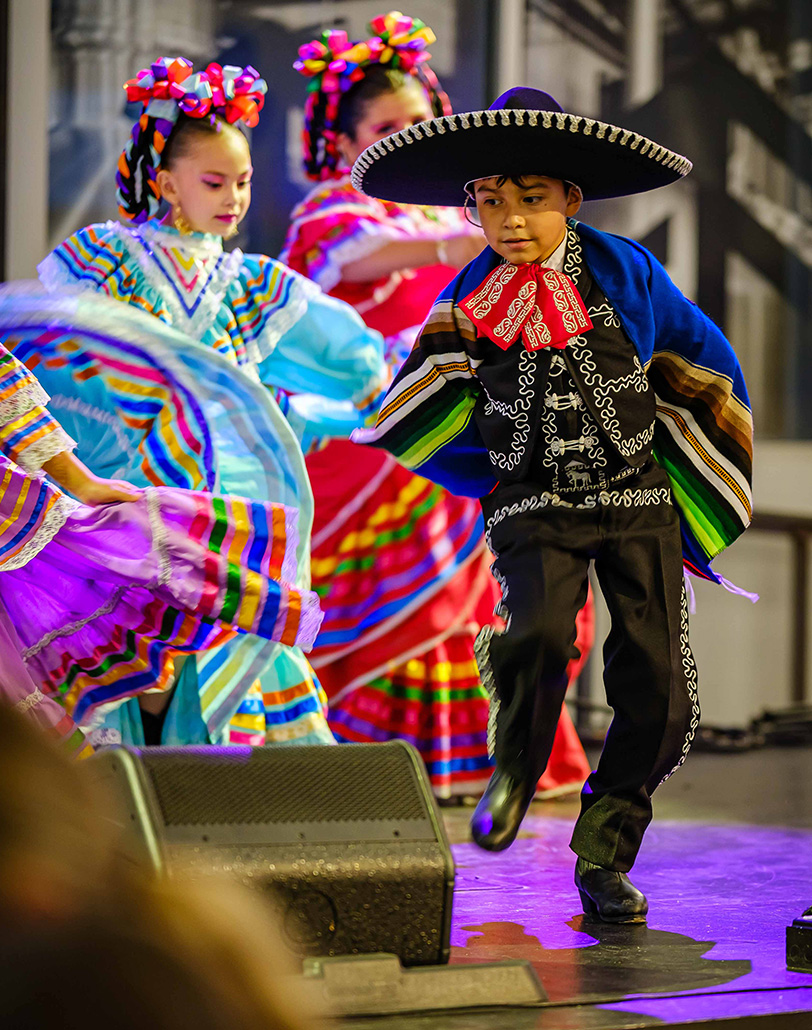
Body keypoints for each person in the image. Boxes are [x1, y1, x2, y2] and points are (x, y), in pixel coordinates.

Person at [352, 86, 753, 921]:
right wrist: (497, 472)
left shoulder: (625, 271)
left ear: (570, 199)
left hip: (639, 498)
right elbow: (425, 405)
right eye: (492, 201)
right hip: (535, 503)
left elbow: (694, 361)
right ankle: (515, 764)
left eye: (531, 199)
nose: (511, 220)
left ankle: (604, 853)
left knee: (662, 693)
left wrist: (691, 475)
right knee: (534, 635)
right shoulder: (467, 296)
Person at [281, 14, 592, 799]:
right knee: (408, 583)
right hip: (375, 434)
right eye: (385, 127)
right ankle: (374, 757)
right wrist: (481, 238)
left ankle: (482, 761)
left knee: (488, 590)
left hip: (467, 423)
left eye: (418, 123)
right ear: (345, 141)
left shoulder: (456, 220)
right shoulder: (330, 211)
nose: (404, 136)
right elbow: (359, 259)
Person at [34, 57, 387, 749]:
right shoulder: (100, 260)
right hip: (128, 500)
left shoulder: (252, 284)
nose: (234, 198)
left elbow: (346, 358)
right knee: (125, 649)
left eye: (245, 182)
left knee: (232, 647)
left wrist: (362, 390)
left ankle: (238, 814)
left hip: (222, 508)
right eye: (215, 182)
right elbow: (62, 367)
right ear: (165, 182)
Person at [0, 307, 322, 753]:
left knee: (164, 582)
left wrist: (81, 482)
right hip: (114, 447)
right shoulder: (103, 259)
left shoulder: (250, 281)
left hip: (208, 460)